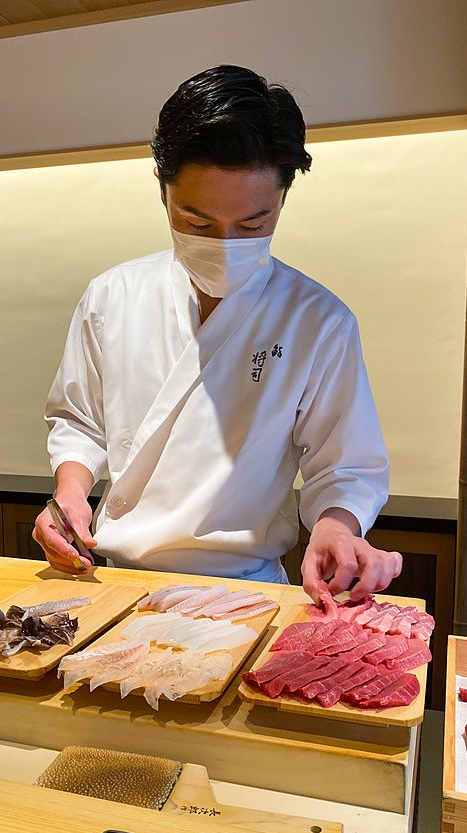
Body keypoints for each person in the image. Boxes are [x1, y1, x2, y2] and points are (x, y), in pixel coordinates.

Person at [33, 65, 402, 606]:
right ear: (162, 189)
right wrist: (69, 494)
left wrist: (336, 527)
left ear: (283, 199)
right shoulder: (112, 296)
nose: (226, 244)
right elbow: (79, 419)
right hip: (113, 583)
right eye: (198, 222)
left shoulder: (317, 319)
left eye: (253, 224)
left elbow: (344, 463)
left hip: (245, 591)